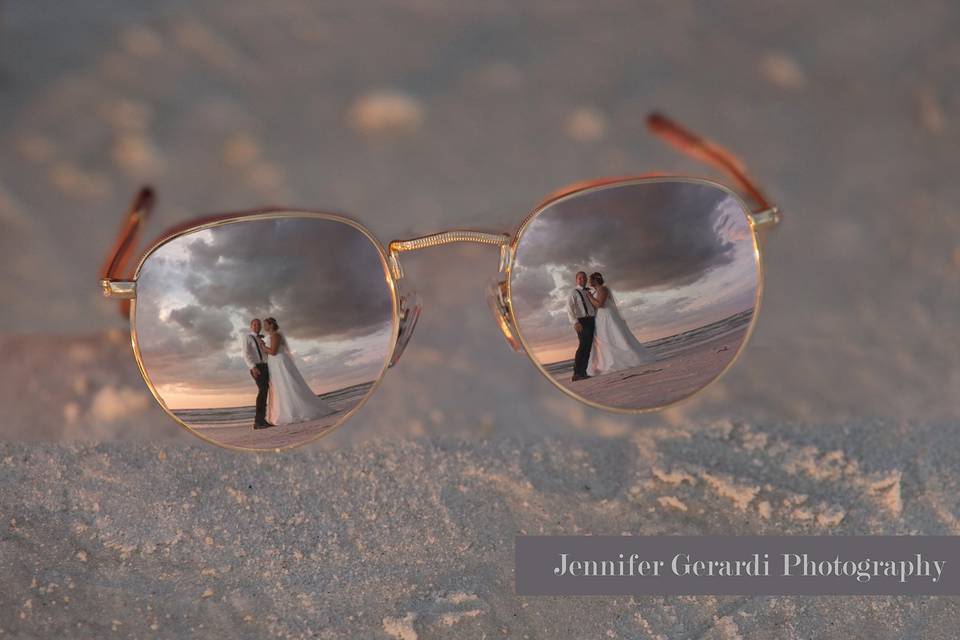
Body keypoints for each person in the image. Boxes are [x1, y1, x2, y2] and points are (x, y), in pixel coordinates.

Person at [258, 317, 336, 425]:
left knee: (288, 385)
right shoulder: (271, 336)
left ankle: (296, 411)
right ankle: (285, 410)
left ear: (271, 325)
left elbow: (273, 351)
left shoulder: (275, 335)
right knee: (281, 387)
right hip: (274, 364)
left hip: (280, 363)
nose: (264, 326)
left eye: (265, 324)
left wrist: (263, 346)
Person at [585, 272, 658, 376]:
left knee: (614, 336)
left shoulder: (603, 289)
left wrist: (589, 296)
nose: (588, 282)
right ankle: (608, 360)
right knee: (605, 338)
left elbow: (600, 304)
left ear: (595, 280)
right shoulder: (596, 291)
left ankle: (626, 358)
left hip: (607, 316)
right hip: (600, 317)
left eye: (590, 279)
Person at [240, 318, 273, 429]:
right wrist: (253, 367)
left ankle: (262, 420)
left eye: (259, 324)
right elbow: (245, 353)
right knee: (262, 390)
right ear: (251, 326)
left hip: (265, 366)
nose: (257, 326)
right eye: (254, 324)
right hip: (257, 367)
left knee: (265, 390)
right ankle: (258, 421)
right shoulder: (247, 337)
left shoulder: (261, 339)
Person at [566, 271, 596, 382]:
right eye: (580, 278)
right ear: (576, 280)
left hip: (591, 320)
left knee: (588, 347)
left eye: (584, 278)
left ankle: (583, 372)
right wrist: (575, 322)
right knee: (583, 346)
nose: (582, 280)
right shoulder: (573, 293)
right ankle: (576, 373)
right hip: (581, 321)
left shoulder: (588, 291)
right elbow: (569, 309)